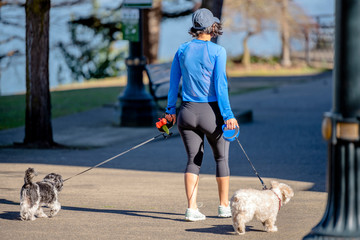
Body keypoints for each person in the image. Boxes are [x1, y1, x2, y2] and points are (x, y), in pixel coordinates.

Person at [165, 8, 239, 222]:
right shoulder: (218, 51)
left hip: (186, 113)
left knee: (192, 160)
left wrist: (170, 111)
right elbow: (220, 85)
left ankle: (191, 208)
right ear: (212, 27)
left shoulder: (182, 50)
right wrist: (228, 115)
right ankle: (224, 206)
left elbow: (173, 84)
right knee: (221, 158)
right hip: (211, 113)